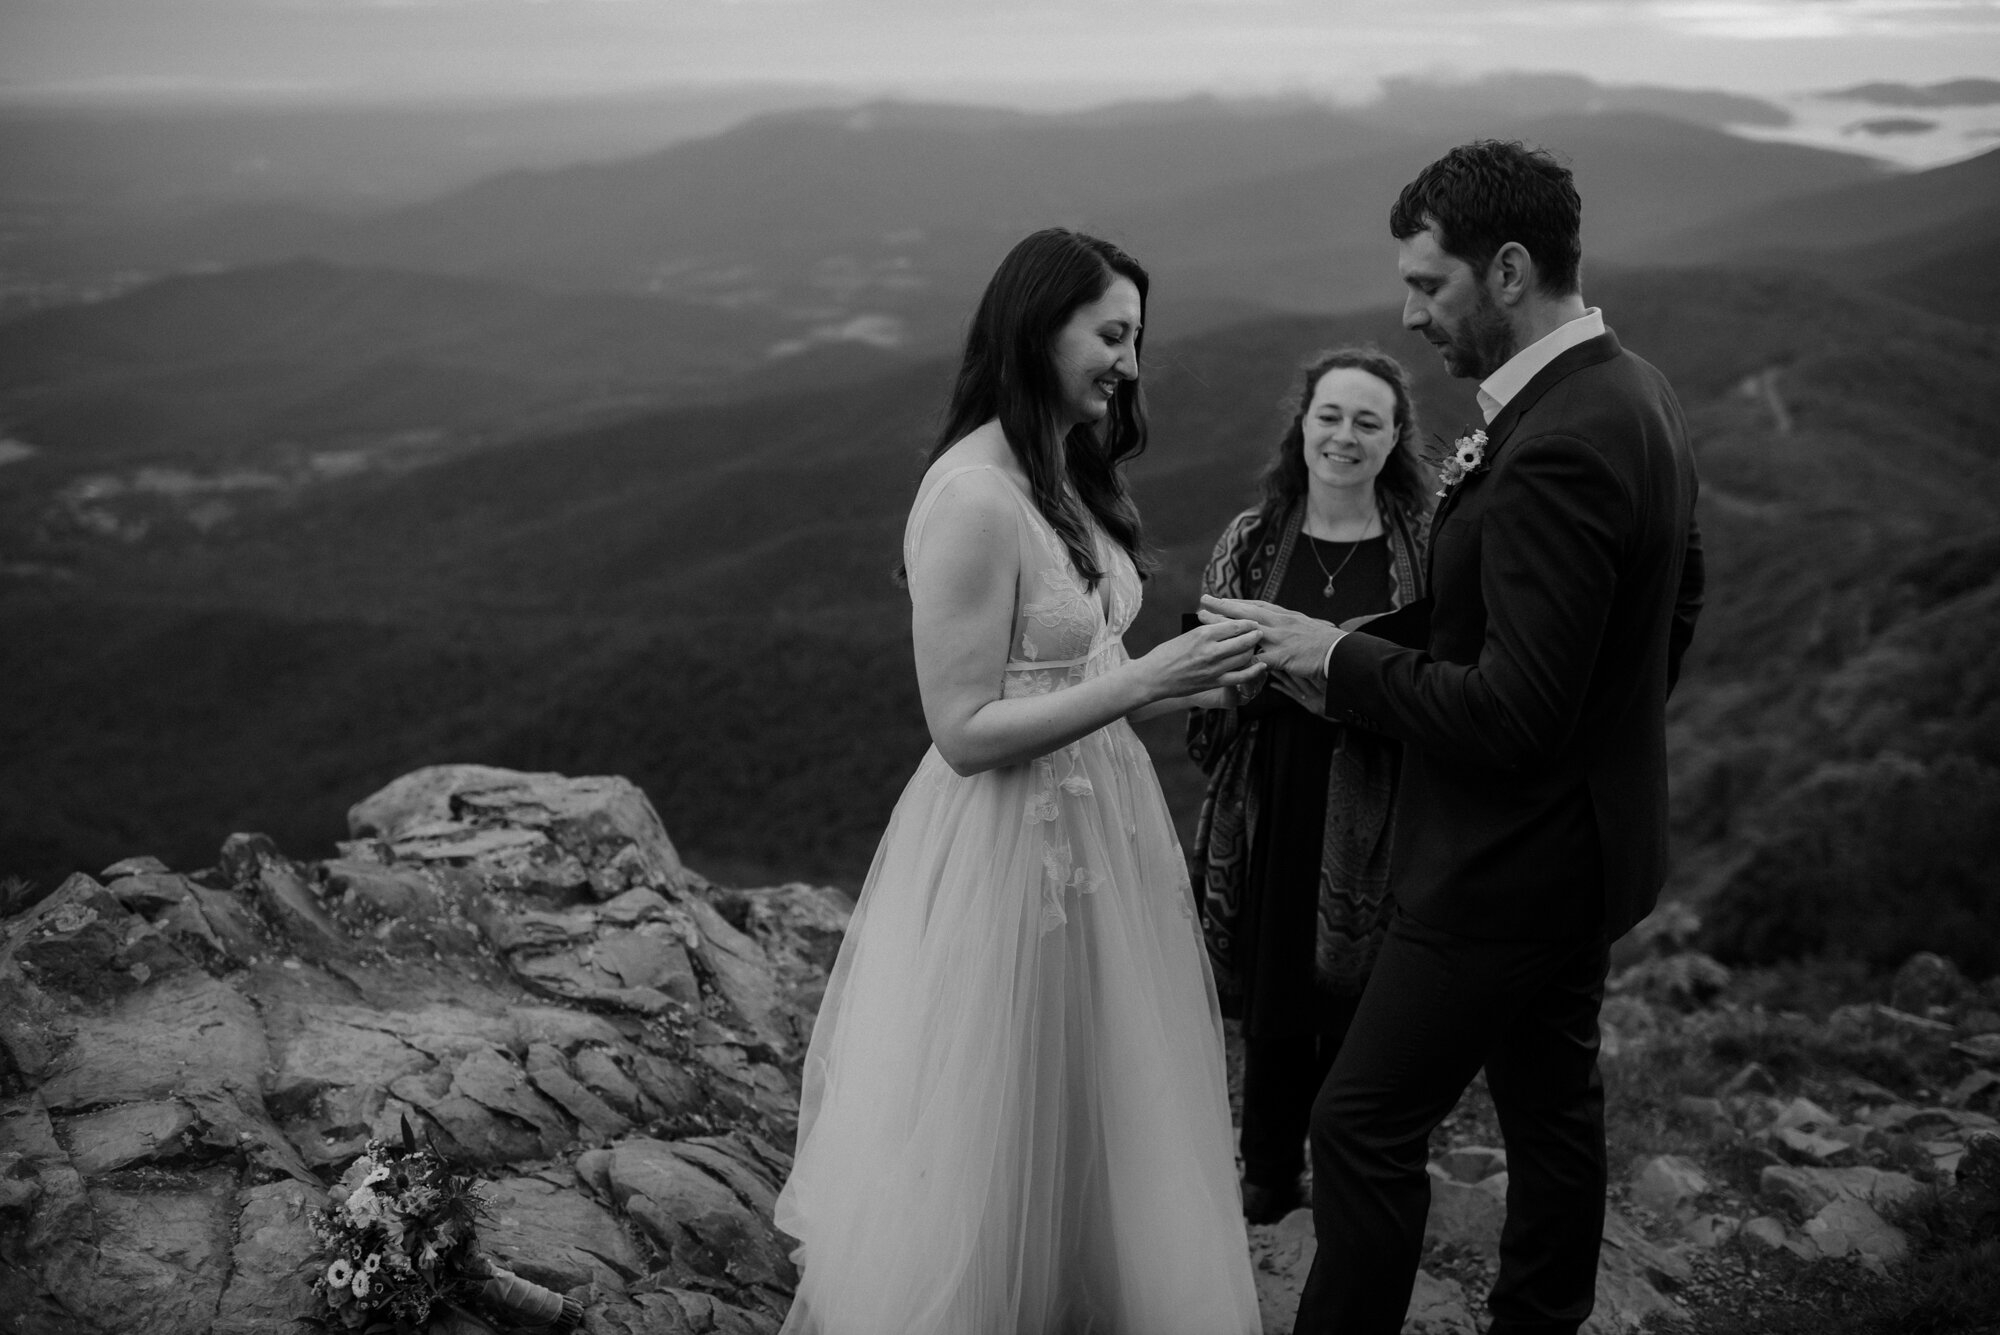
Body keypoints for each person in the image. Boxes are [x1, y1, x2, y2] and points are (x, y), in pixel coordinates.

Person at [1205, 140, 1705, 1335]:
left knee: (1360, 1122)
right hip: (1584, 849)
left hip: (1498, 865)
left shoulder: (1560, 443)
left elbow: (1509, 710)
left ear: (1510, 268)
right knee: (1550, 1110)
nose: (1408, 312)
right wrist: (1594, 737)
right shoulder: (1630, 390)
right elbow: (1673, 600)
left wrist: (1337, 659)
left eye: (1428, 286)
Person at [774, 228, 1265, 1335]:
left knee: (1096, 1098)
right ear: (1035, 327)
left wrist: (1198, 684)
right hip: (1008, 843)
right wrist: (1148, 673)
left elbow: (1076, 672)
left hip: (1104, 829)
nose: (1127, 363)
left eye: (1132, 338)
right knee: (1004, 1114)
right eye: (1109, 335)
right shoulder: (970, 497)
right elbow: (961, 730)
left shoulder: (1060, 473)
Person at [1186, 346, 1431, 1225]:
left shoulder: (1427, 541)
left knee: (1364, 991)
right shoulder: (1252, 540)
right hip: (1276, 791)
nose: (1344, 436)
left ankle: (1348, 1168)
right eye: (1330, 415)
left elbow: (1445, 673)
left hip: (1385, 795)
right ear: (1303, 423)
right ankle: (1265, 1173)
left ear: (1396, 437)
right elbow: (1209, 680)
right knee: (1278, 983)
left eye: (1369, 421)